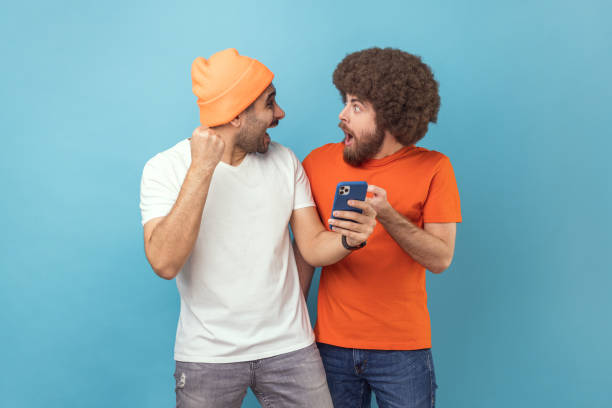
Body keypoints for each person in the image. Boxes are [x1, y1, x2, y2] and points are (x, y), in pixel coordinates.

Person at [139, 48, 376, 408]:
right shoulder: (165, 168)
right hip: (208, 356)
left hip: (290, 348)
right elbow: (164, 262)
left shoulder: (284, 160)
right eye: (270, 103)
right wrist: (202, 168)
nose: (279, 113)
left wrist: (348, 239)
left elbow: (311, 245)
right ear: (236, 116)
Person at [295, 47, 462, 408]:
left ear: (389, 116)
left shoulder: (435, 168)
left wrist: (386, 213)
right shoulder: (317, 162)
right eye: (345, 102)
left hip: (402, 351)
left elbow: (440, 257)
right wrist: (292, 330)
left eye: (357, 106)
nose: (342, 115)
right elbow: (306, 252)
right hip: (329, 347)